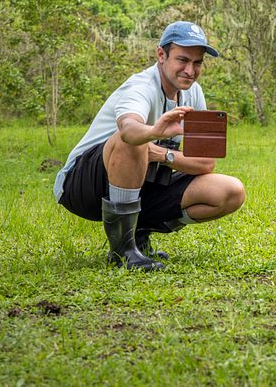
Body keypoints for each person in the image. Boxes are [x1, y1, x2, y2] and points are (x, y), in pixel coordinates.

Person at [53, 21, 246, 271]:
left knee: (231, 191)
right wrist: (153, 133)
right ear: (161, 55)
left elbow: (206, 163)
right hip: (83, 186)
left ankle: (139, 230)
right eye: (182, 60)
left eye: (197, 63)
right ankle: (122, 251)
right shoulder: (141, 87)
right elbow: (130, 130)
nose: (190, 70)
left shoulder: (194, 93)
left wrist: (162, 154)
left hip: (144, 183)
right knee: (134, 141)